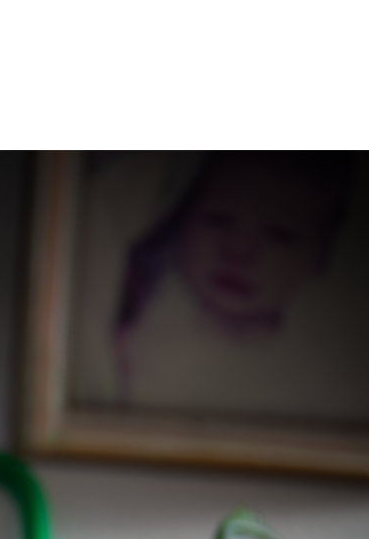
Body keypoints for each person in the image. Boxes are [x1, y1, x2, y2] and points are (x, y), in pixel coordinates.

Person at [109, 153, 356, 414]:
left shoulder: (320, 381)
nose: (238, 250)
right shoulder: (131, 340)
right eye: (219, 219)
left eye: (279, 236)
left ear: (322, 255)